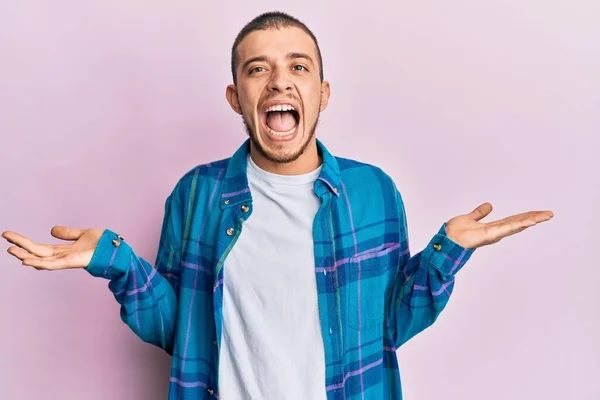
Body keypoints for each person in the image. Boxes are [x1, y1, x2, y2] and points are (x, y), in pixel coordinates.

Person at [2, 11, 554, 400]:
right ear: (235, 95)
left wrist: (446, 252)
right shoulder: (196, 195)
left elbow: (387, 326)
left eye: (298, 66)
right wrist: (115, 261)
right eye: (257, 68)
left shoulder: (374, 193)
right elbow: (180, 332)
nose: (278, 81)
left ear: (323, 92)